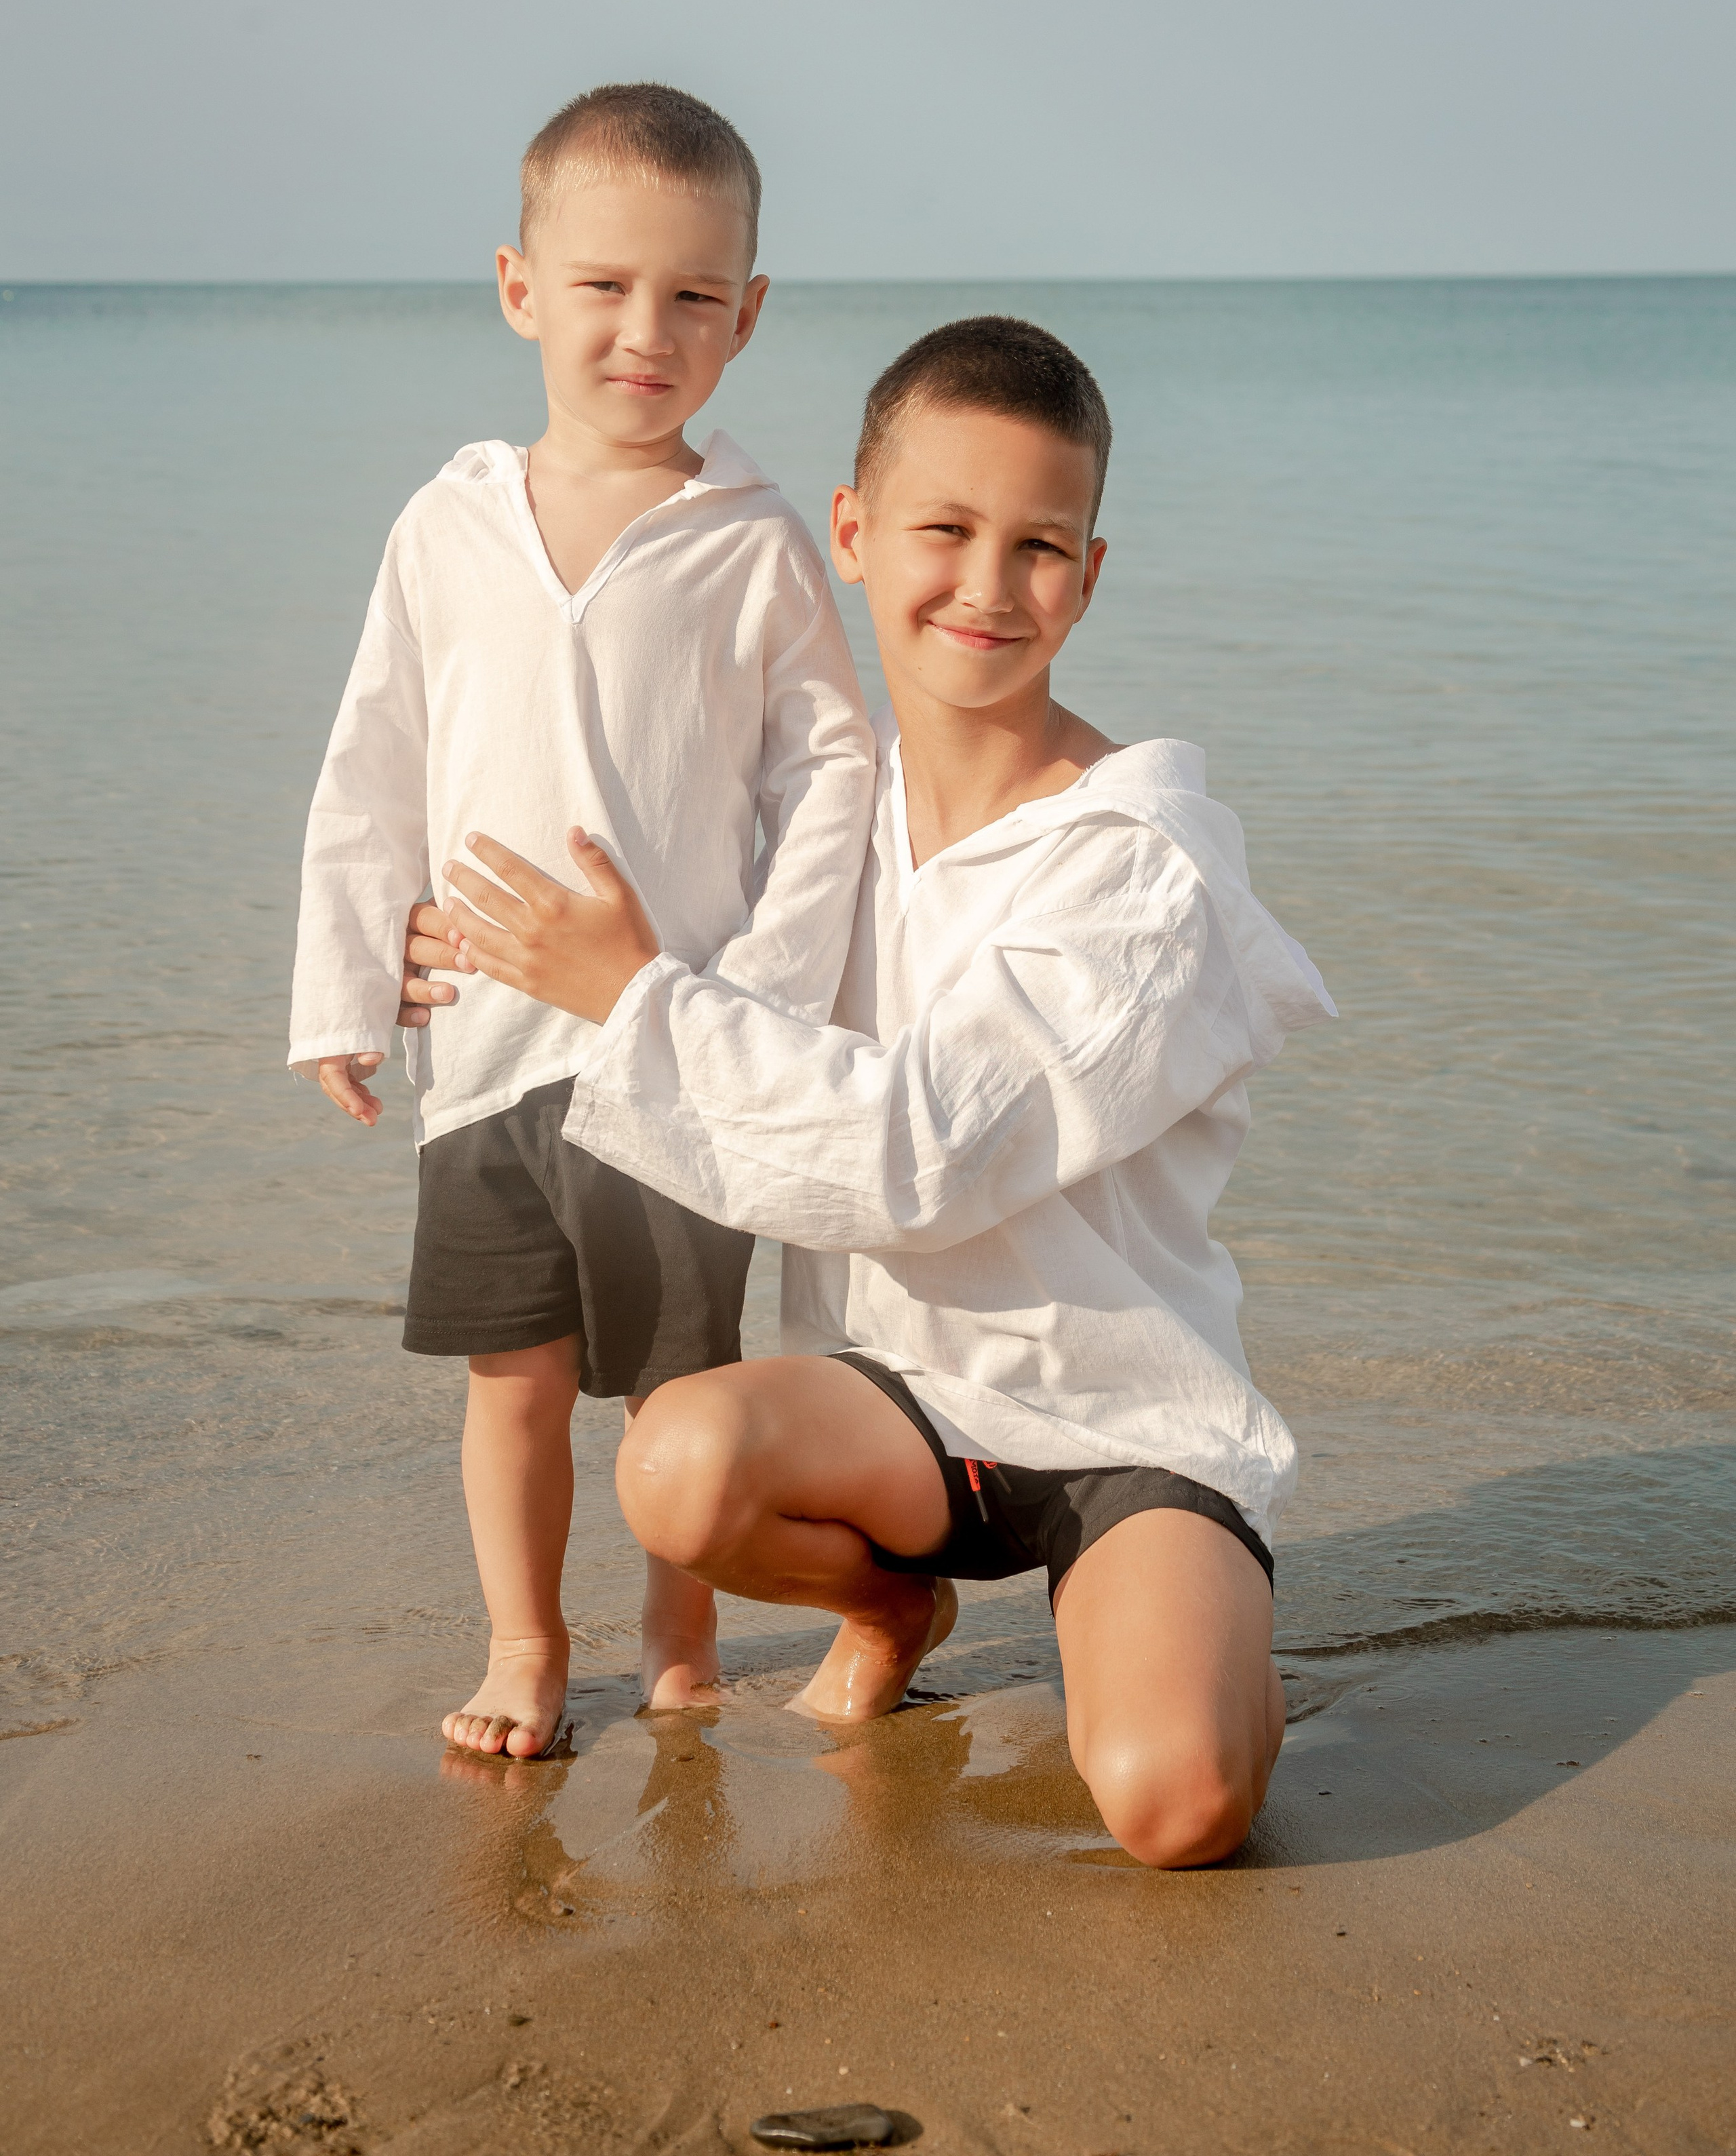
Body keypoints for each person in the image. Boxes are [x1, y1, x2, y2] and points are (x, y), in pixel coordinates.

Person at [417, 313, 1335, 1865]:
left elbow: (920, 1151)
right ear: (849, 535)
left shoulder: (1140, 866)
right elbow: (643, 926)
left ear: (1090, 576)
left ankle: (1182, 1629)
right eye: (944, 529)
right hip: (893, 1407)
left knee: (1174, 1806)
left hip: (1117, 1418)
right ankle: (888, 1601)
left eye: (1038, 545)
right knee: (678, 1465)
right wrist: (450, 943)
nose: (985, 587)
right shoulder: (819, 815)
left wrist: (627, 994)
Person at [288, 83, 875, 1756]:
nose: (646, 331)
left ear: (747, 316)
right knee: (512, 1375)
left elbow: (827, 772)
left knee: (678, 1388)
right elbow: (372, 758)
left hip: (672, 1052)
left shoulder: (751, 539)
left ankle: (677, 1630)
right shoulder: (447, 524)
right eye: (605, 286)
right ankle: (525, 1645)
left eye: (695, 296)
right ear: (517, 285)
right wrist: (344, 981)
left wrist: (755, 993)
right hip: (482, 1047)